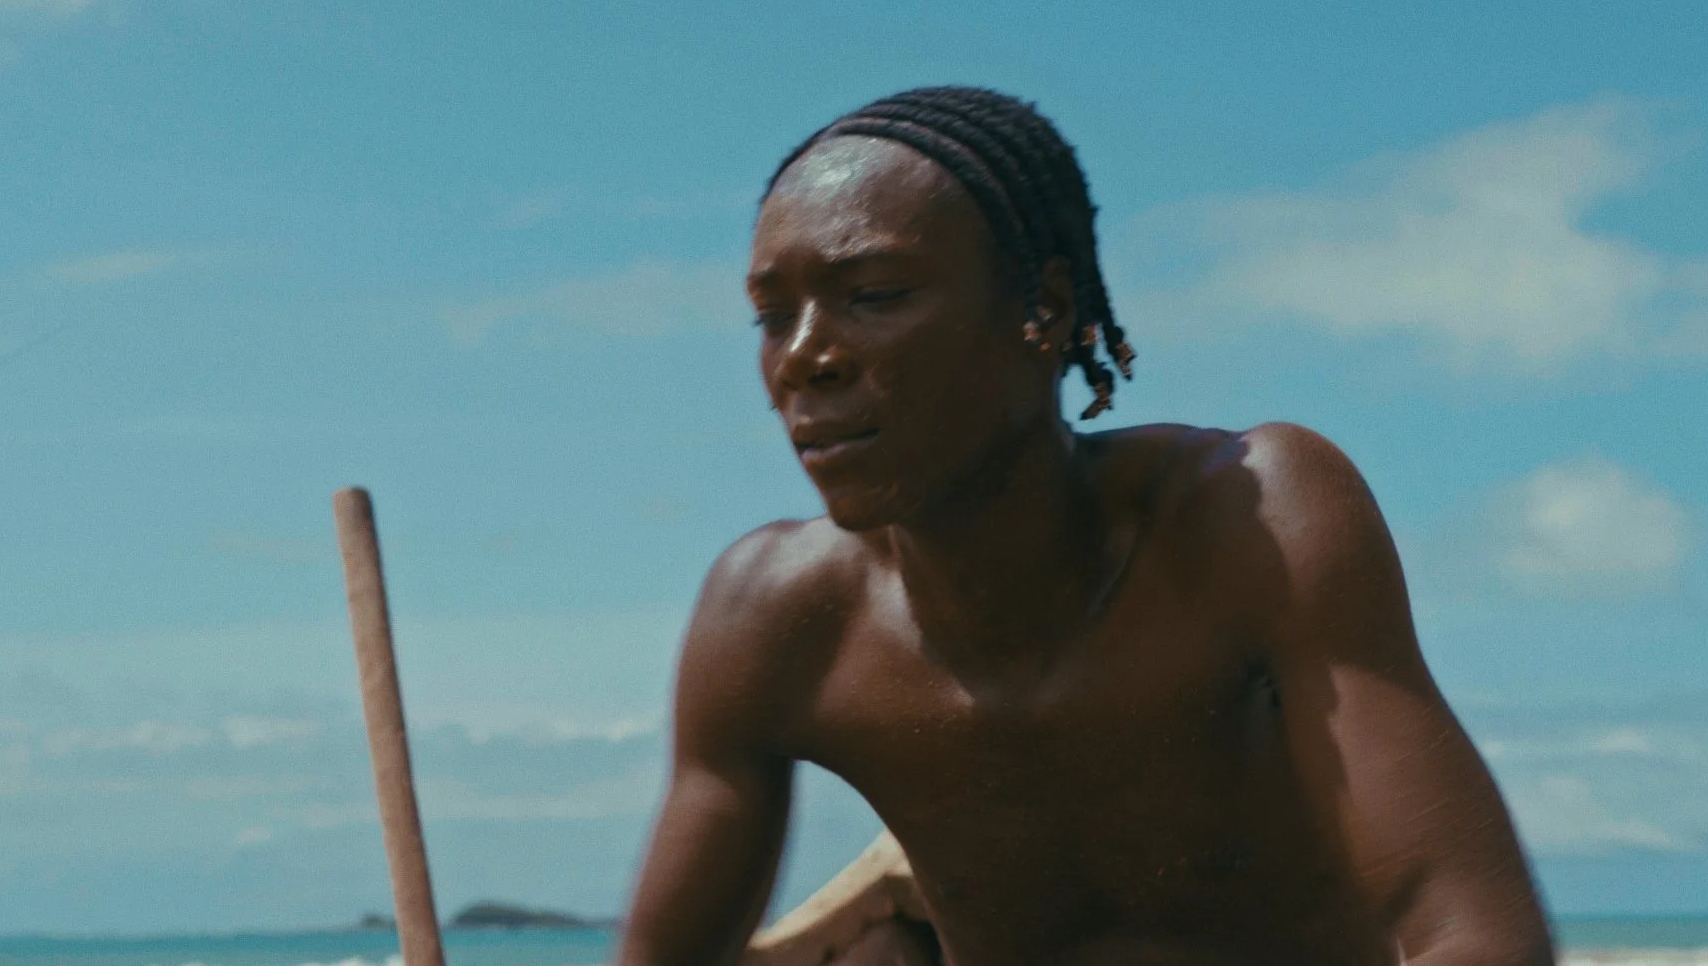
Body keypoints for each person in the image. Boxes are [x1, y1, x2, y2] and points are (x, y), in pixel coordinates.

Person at [617, 86, 1555, 966]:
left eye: (875, 295)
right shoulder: (776, 618)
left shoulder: (1248, 523)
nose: (803, 358)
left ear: (1047, 305)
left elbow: (1476, 936)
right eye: (772, 317)